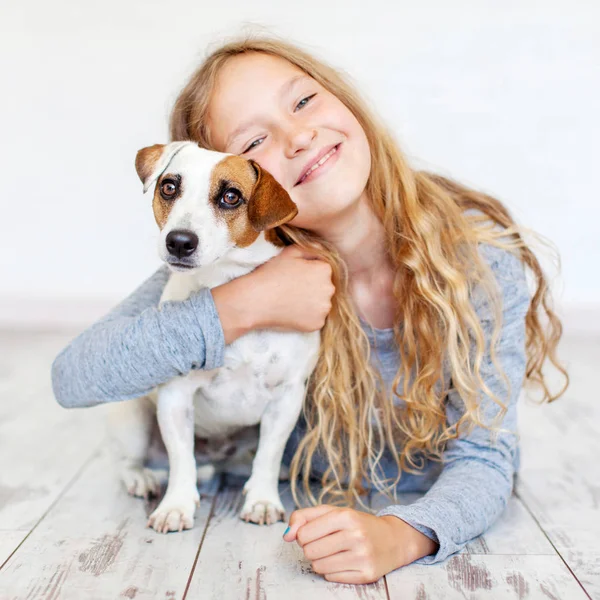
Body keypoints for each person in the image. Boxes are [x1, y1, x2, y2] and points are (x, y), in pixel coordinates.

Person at [51, 34, 568, 584]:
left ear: (343, 97)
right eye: (253, 141)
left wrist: (401, 533)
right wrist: (244, 305)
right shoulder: (224, 260)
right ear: (224, 185)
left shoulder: (478, 263)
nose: (299, 136)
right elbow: (75, 377)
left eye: (303, 101)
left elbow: (487, 461)